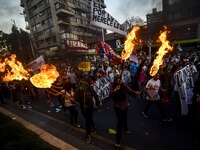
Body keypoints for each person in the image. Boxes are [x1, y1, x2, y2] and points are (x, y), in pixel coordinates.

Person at [111, 75, 140, 148]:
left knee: (125, 117)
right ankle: (117, 142)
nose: (119, 81)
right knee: (119, 122)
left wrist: (135, 92)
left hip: (124, 104)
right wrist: (115, 90)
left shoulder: (123, 84)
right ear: (115, 80)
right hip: (117, 106)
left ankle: (126, 128)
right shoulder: (113, 86)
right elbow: (110, 94)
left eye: (120, 79)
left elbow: (129, 90)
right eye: (117, 80)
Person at [76, 78, 100, 144]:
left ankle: (88, 135)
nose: (82, 85)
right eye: (82, 83)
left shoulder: (91, 90)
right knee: (88, 119)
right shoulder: (79, 90)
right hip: (83, 108)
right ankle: (94, 125)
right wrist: (76, 99)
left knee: (87, 121)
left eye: (84, 84)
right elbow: (76, 98)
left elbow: (96, 98)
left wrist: (98, 106)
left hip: (90, 108)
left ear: (87, 84)